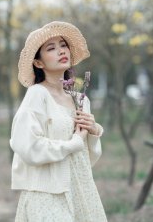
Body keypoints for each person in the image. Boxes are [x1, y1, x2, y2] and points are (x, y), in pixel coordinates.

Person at [10, 21, 107, 222]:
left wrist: (94, 131)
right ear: (39, 63)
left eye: (63, 45)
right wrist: (74, 143)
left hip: (81, 190)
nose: (61, 51)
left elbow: (85, 160)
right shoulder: (37, 95)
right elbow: (27, 146)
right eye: (51, 48)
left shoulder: (80, 100)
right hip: (47, 193)